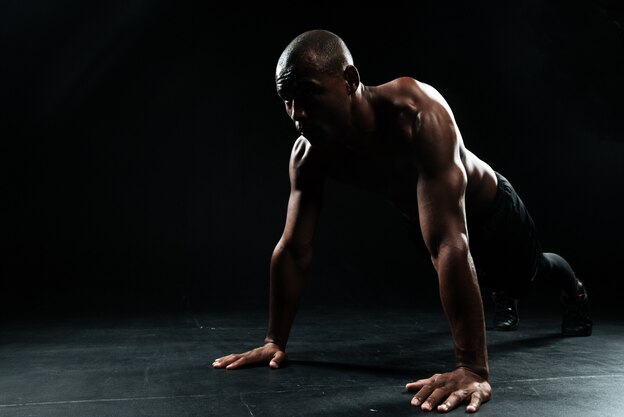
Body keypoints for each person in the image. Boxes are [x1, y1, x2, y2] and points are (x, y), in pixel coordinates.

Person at [212, 29, 592, 413]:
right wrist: (274, 340)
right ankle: (497, 290)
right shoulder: (311, 152)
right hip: (432, 219)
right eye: (287, 100)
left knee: (527, 275)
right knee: (460, 259)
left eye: (309, 94)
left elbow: (450, 242)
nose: (298, 114)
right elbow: (294, 248)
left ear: (349, 80)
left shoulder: (417, 112)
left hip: (490, 212)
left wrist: (472, 369)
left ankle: (573, 289)